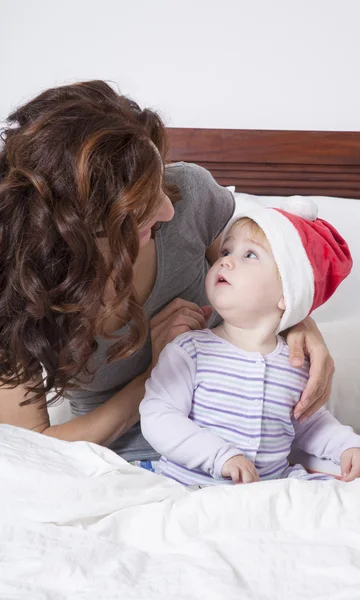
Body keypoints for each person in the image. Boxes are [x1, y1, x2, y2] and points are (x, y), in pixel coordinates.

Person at [0, 80, 334, 463]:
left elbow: (265, 270)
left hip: (255, 444)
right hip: (128, 464)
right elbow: (34, 447)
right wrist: (161, 375)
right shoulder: (13, 291)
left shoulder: (188, 195)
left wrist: (300, 323)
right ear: (77, 222)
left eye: (158, 181)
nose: (167, 210)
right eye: (141, 203)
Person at [140, 199, 360, 485]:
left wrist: (348, 446)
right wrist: (219, 456)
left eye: (250, 255)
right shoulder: (189, 350)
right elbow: (158, 416)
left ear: (288, 293)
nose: (224, 260)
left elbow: (310, 425)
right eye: (226, 250)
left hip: (265, 494)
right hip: (189, 489)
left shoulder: (296, 363)